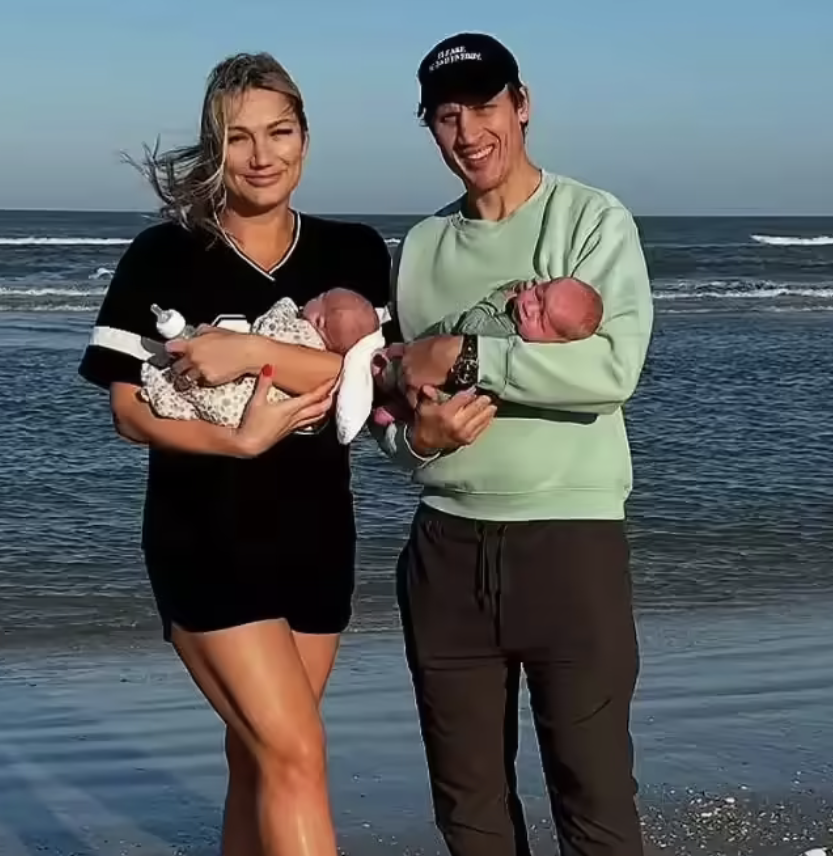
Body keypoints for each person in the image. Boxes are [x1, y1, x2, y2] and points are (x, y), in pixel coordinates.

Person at [77, 52, 393, 856]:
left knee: (262, 758)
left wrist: (248, 356)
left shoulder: (353, 252)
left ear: (306, 140)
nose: (262, 155)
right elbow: (127, 413)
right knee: (296, 752)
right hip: (204, 539)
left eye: (279, 132)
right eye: (239, 137)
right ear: (215, 149)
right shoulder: (162, 256)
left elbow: (377, 379)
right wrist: (235, 438)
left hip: (320, 541)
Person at [367, 32, 656, 856]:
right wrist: (414, 442)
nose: (468, 133)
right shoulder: (420, 247)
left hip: (571, 547)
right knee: (470, 813)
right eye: (446, 117)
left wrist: (465, 353)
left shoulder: (591, 220)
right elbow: (389, 406)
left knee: (595, 800)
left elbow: (611, 369)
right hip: (446, 557)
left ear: (522, 106)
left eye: (485, 107)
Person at [369, 276, 602, 427]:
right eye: (538, 294)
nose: (530, 307)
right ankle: (396, 408)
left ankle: (390, 385)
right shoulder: (525, 347)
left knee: (400, 359)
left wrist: (499, 298)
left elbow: (470, 329)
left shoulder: (505, 331)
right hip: (448, 387)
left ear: (555, 342)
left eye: (542, 318)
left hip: (435, 370)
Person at [141, 287, 382, 428]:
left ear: (319, 321)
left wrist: (252, 351)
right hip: (237, 418)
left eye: (321, 297)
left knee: (194, 385)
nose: (313, 297)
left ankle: (163, 387)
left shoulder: (299, 329)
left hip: (238, 401)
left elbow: (270, 328)